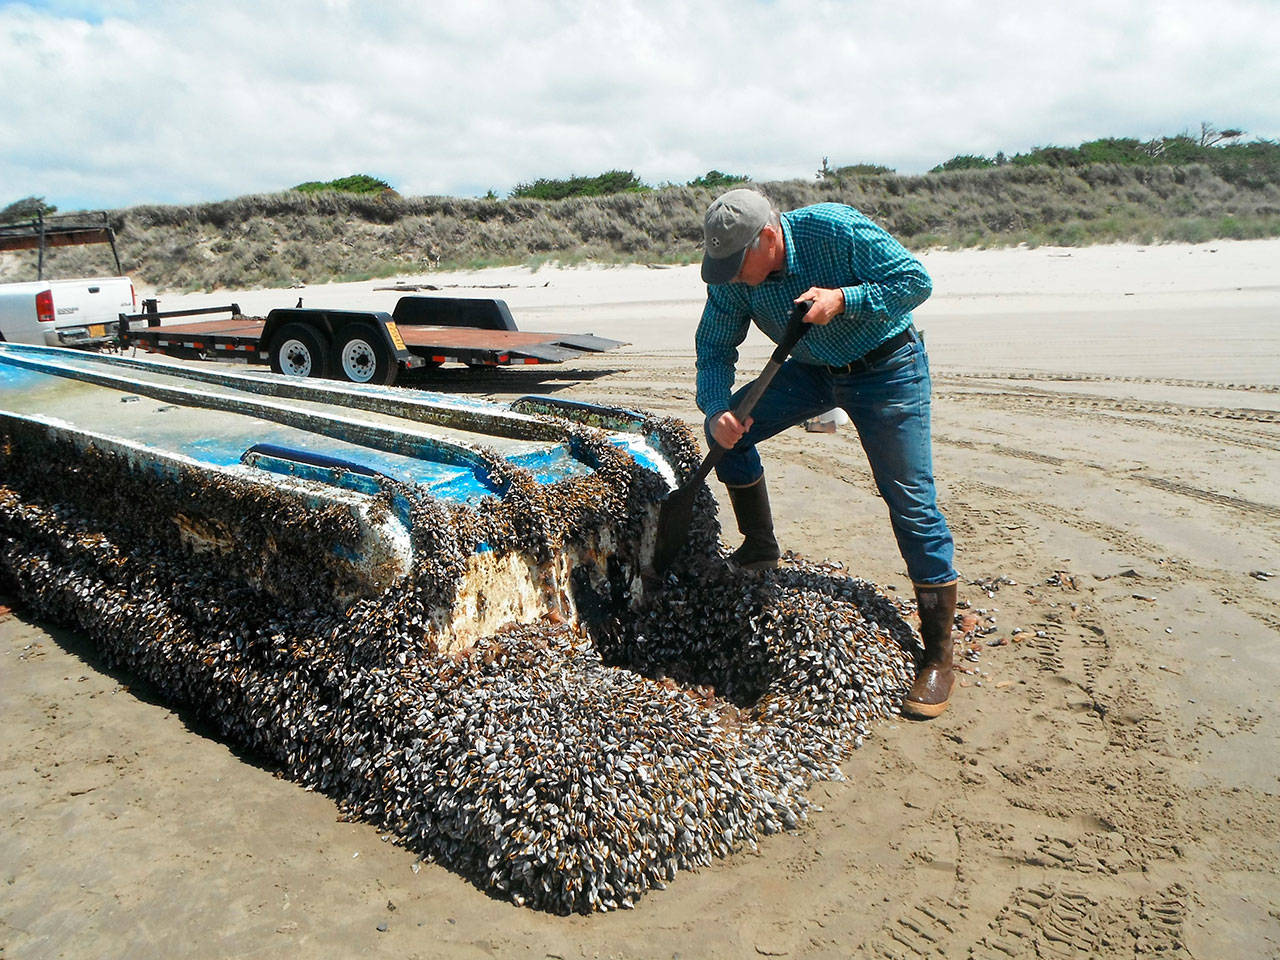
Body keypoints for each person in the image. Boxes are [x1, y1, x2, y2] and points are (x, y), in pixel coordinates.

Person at [696, 188, 958, 718]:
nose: (728, 276)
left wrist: (845, 299)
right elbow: (715, 346)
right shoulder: (733, 280)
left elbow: (915, 282)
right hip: (809, 373)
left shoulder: (835, 230)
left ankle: (937, 653)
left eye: (735, 263)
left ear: (767, 238)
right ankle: (759, 543)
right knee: (728, 434)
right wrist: (716, 407)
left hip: (887, 368)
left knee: (909, 498)